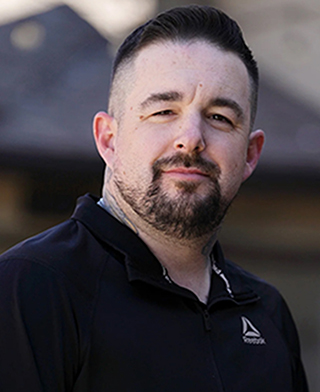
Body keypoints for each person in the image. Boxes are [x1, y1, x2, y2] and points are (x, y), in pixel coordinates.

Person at [0, 5, 308, 392]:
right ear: (109, 139)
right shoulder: (30, 288)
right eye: (163, 110)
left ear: (249, 154)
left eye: (219, 118)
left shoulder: (267, 313)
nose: (191, 137)